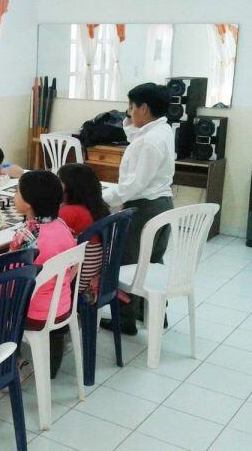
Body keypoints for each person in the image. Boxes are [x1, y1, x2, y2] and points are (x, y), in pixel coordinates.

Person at [100, 83, 174, 336]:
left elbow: (133, 185)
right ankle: (154, 314)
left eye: (131, 107)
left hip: (144, 208)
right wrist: (129, 122)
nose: (128, 112)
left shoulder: (150, 142)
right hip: (161, 204)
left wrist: (104, 198)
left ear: (144, 108)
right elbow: (135, 138)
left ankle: (125, 320)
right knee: (152, 261)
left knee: (128, 261)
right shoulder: (161, 130)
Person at [10, 171, 77, 378]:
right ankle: (50, 368)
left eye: (17, 191)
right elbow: (73, 266)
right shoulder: (62, 225)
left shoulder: (26, 234)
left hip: (33, 312)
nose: (14, 195)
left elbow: (13, 283)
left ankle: (11, 364)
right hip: (62, 304)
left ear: (28, 203)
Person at [57, 163, 110, 293]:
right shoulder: (99, 206)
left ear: (71, 187)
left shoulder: (70, 211)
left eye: (59, 181)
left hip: (78, 281)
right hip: (96, 275)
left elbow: (45, 234)